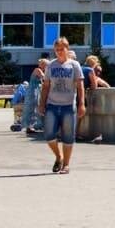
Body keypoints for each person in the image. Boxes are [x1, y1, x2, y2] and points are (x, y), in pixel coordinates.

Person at [38, 37, 85, 175]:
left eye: (61, 49)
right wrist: (41, 104)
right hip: (52, 105)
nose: (59, 52)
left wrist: (82, 103)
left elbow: (80, 86)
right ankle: (59, 156)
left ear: (67, 49)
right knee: (48, 135)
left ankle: (66, 165)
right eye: (56, 50)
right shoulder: (51, 66)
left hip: (69, 106)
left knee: (68, 136)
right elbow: (45, 86)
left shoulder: (74, 65)